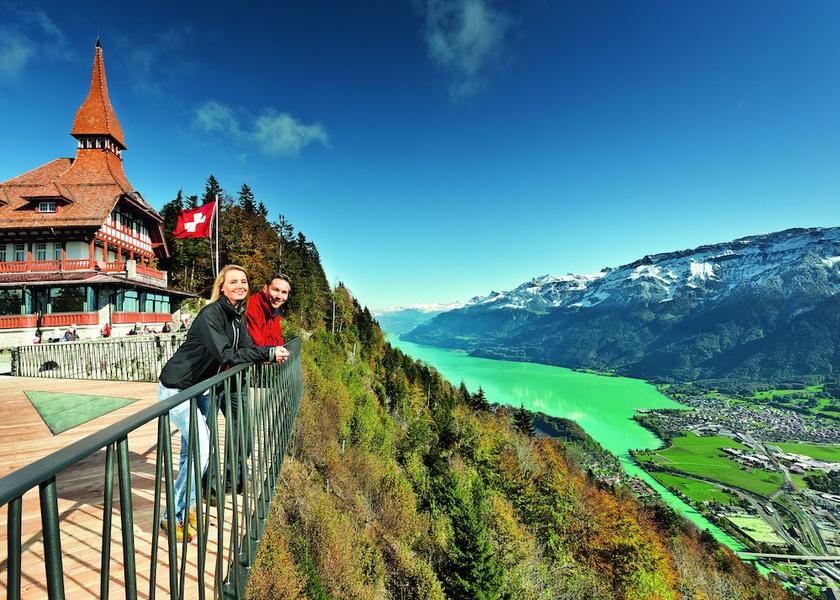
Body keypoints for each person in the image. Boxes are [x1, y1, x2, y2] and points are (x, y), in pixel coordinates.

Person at [157, 265, 285, 542]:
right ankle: (172, 516)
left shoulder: (236, 317)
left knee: (189, 452)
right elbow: (226, 353)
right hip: (177, 388)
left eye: (244, 281)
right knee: (202, 448)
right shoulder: (211, 315)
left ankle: (188, 506)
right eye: (234, 281)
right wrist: (267, 352)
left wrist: (268, 352)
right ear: (222, 286)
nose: (240, 285)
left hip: (201, 389)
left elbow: (247, 348)